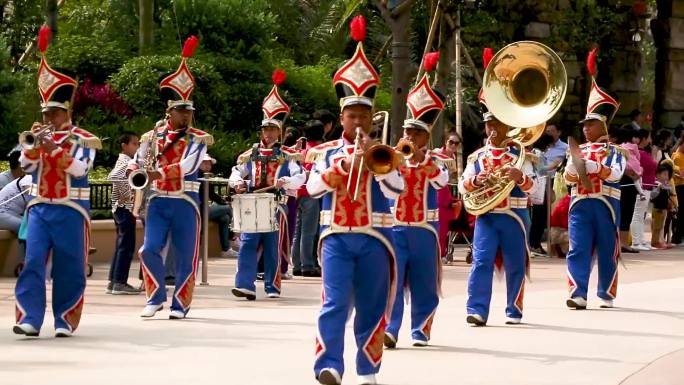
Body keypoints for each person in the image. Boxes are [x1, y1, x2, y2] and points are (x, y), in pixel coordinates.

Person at [306, 16, 404, 385]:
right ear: (342, 119)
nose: (358, 121)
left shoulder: (386, 152)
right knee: (333, 303)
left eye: (364, 115)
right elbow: (313, 189)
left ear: (372, 119)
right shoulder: (327, 152)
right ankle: (329, 366)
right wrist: (347, 164)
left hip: (376, 238)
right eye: (352, 116)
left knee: (372, 307)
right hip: (335, 236)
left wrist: (375, 164)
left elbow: (396, 189)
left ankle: (368, 370)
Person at [13, 25, 102, 337]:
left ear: (67, 110)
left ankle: (64, 319)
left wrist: (53, 147)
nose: (49, 118)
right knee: (33, 261)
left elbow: (79, 170)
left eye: (54, 112)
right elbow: (24, 166)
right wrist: (35, 146)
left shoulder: (85, 139)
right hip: (39, 208)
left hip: (70, 209)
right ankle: (29, 318)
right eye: (46, 112)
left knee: (69, 266)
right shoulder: (37, 137)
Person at [133, 36, 214, 320]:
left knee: (185, 255)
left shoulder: (198, 139)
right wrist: (136, 170)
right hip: (157, 201)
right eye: (181, 111)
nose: (186, 115)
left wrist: (157, 172)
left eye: (189, 111)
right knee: (149, 249)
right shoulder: (151, 136)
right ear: (169, 111)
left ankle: (181, 304)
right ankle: (155, 296)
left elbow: (189, 165)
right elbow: (137, 161)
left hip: (185, 201)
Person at [458, 64, 537, 325]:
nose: (493, 129)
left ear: (507, 126)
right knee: (481, 261)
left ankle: (514, 309)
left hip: (515, 214)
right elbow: (462, 185)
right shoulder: (477, 156)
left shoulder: (521, 155)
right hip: (487, 215)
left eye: (498, 124)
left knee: (516, 264)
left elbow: (535, 191)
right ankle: (477, 309)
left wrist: (520, 177)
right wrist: (475, 180)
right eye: (489, 124)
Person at [383, 53, 451, 349]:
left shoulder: (438, 160)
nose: (408, 135)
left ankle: (421, 329)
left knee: (425, 282)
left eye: (415, 132)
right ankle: (391, 328)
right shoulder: (392, 157)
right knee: (394, 282)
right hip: (396, 227)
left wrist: (422, 160)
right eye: (407, 131)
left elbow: (442, 181)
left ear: (426, 136)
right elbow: (380, 184)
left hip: (425, 229)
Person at [228, 69, 305, 300]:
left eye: (273, 129)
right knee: (248, 243)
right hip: (253, 201)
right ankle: (244, 285)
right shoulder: (249, 154)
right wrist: (238, 182)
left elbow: (301, 176)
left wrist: (286, 181)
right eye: (265, 129)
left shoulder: (289, 155)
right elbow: (235, 172)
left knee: (272, 246)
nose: (268, 134)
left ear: (279, 131)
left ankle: (272, 286)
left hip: (277, 202)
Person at [564, 49, 626, 310]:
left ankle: (606, 292)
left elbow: (615, 174)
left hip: (606, 205)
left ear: (603, 126)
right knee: (577, 248)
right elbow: (567, 176)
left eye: (590, 124)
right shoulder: (576, 150)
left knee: (606, 250)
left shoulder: (616, 151)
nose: (585, 128)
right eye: (584, 125)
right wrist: (576, 166)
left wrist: (591, 166)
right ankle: (578, 292)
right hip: (580, 203)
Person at [106, 132, 142, 295]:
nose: (137, 147)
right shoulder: (126, 161)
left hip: (122, 207)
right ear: (124, 146)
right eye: (134, 144)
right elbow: (113, 176)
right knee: (126, 246)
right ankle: (120, 282)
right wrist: (128, 194)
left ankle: (114, 281)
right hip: (124, 208)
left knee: (122, 245)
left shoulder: (127, 161)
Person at [292, 119, 325, 276]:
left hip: (298, 192)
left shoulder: (303, 151)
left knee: (298, 231)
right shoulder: (320, 151)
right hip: (311, 194)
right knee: (309, 232)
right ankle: (307, 265)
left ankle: (297, 263)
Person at [198, 153, 237, 258]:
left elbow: (212, 195)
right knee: (228, 208)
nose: (207, 166)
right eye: (204, 163)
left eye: (209, 163)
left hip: (204, 208)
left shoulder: (204, 176)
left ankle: (226, 249)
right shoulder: (199, 176)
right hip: (199, 210)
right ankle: (233, 237)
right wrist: (223, 202)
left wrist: (222, 201)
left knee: (224, 218)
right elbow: (211, 195)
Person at [433, 132, 461, 261]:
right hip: (436, 191)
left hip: (445, 191)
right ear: (446, 142)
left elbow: (451, 178)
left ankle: (441, 253)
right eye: (451, 142)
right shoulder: (437, 152)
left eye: (456, 143)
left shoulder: (454, 157)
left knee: (444, 226)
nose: (453, 145)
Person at [630, 129, 657, 250]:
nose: (650, 140)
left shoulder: (644, 153)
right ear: (644, 139)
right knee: (637, 215)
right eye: (649, 137)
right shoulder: (638, 153)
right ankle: (636, 242)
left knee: (641, 216)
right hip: (641, 187)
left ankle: (641, 240)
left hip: (647, 187)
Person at [650, 161, 676, 249]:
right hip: (658, 208)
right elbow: (652, 196)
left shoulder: (666, 185)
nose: (666, 177)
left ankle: (660, 241)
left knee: (661, 226)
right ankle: (655, 242)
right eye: (664, 174)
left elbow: (669, 194)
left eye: (667, 175)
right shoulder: (656, 184)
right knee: (656, 226)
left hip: (664, 208)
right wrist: (658, 188)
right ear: (657, 175)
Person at [671, 136, 684, 245]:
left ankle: (679, 235)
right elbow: (679, 174)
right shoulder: (677, 156)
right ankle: (677, 236)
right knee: (680, 213)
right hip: (680, 186)